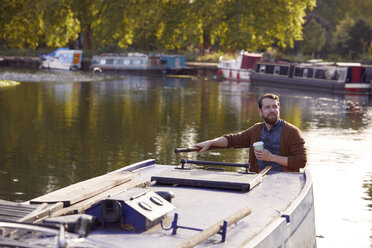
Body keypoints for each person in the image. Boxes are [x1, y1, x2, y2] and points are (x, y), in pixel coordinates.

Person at [194, 93, 307, 173]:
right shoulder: (256, 130)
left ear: (279, 109)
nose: (272, 110)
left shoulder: (292, 132)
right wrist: (210, 142)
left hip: (284, 183)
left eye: (274, 106)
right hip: (258, 181)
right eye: (267, 107)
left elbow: (301, 161)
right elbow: (233, 140)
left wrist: (272, 157)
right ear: (260, 111)